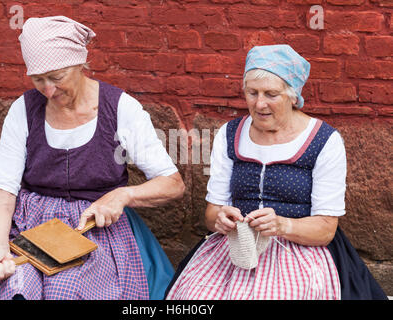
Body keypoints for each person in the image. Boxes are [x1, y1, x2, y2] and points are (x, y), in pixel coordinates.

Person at [0, 16, 185, 300]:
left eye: (57, 77)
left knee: (68, 289)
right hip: (28, 226)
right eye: (38, 79)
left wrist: (122, 195)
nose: (48, 90)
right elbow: (1, 193)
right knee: (14, 284)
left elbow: (173, 183)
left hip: (94, 228)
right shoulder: (24, 109)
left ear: (81, 64)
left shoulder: (121, 108)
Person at [165, 44, 387, 300]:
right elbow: (212, 212)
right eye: (252, 93)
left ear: (293, 96)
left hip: (299, 249)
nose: (259, 104)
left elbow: (326, 229)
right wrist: (220, 219)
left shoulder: (324, 140)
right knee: (194, 295)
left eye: (271, 94)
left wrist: (282, 225)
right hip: (238, 247)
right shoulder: (229, 134)